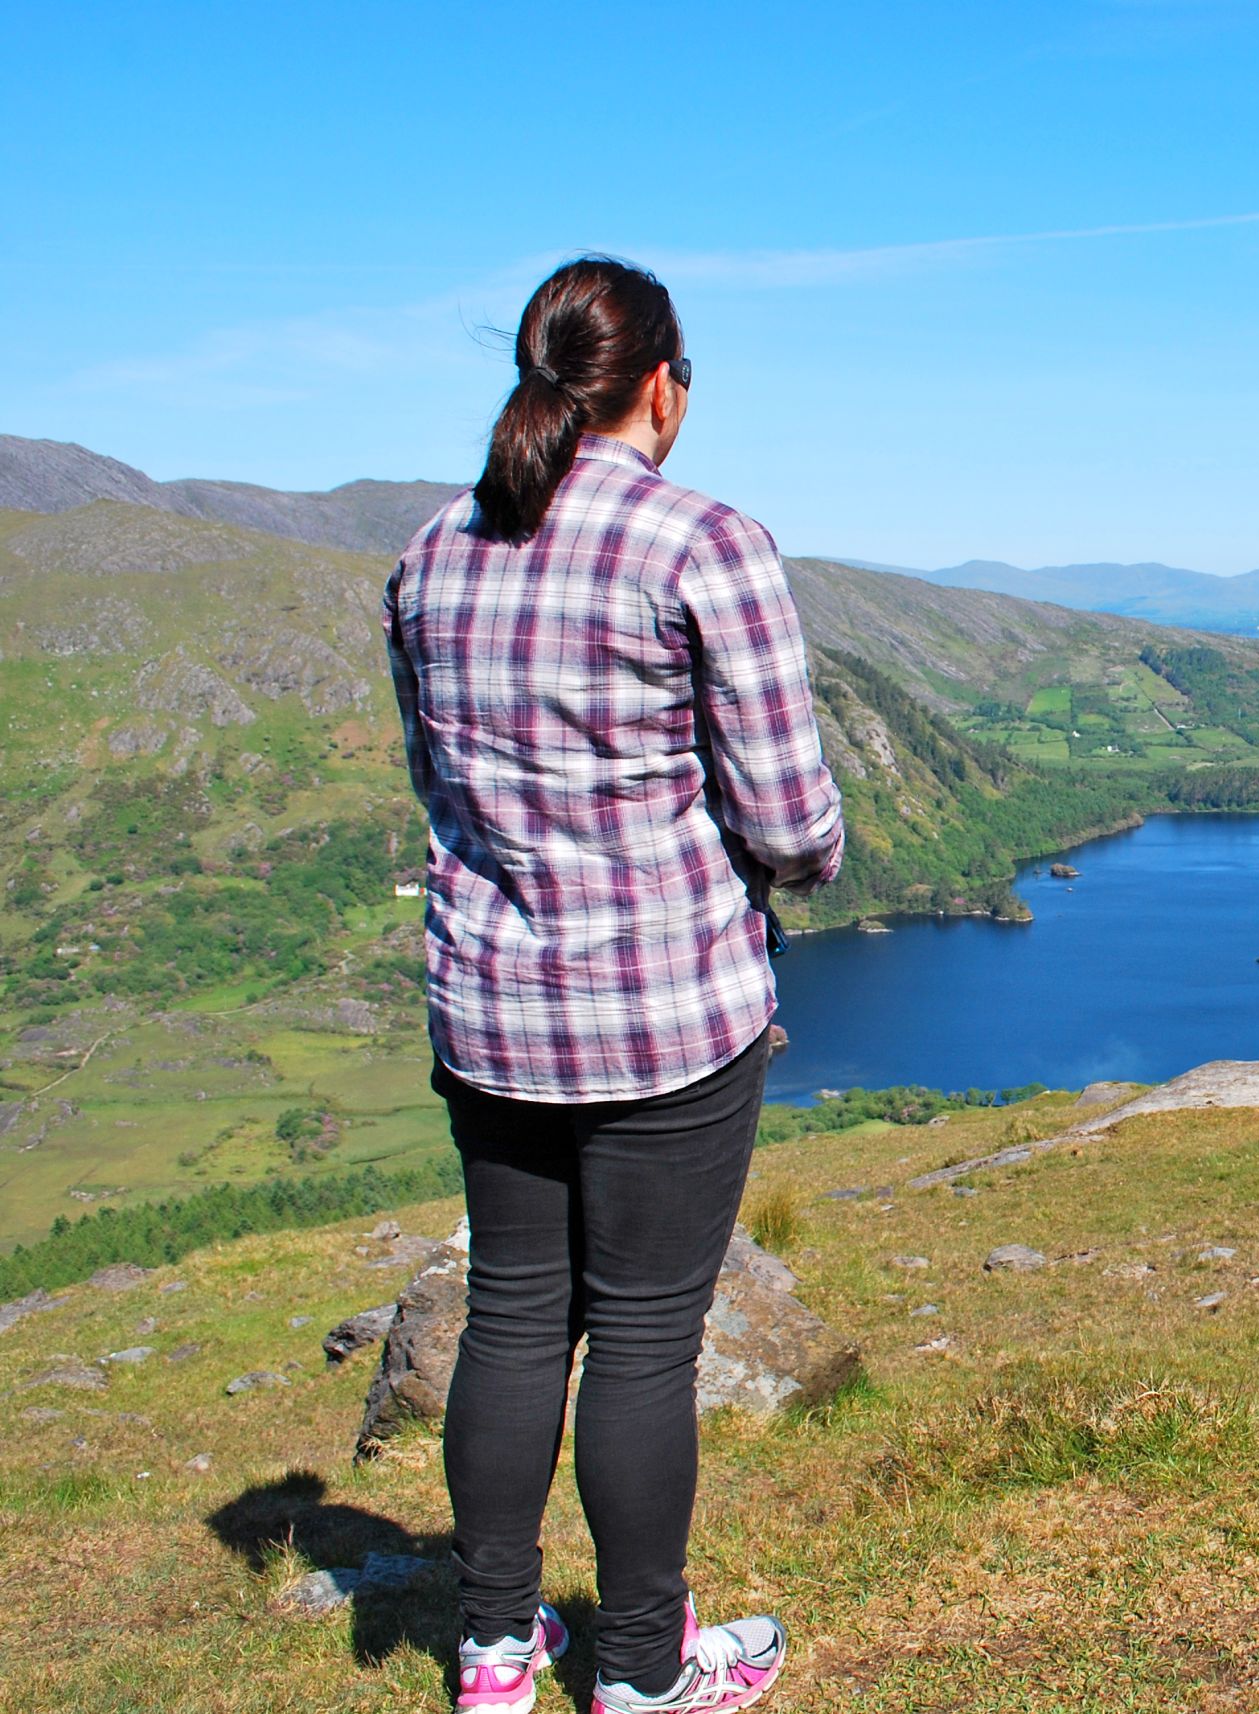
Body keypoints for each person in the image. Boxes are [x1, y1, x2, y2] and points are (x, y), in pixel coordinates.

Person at [384, 254, 843, 1714]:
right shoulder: (702, 543)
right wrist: (806, 857)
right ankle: (644, 1668)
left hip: (492, 1010)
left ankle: (494, 1653)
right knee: (645, 1339)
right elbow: (789, 823)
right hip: (663, 1020)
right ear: (662, 383)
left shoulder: (428, 553)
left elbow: (441, 791)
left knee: (515, 1318)